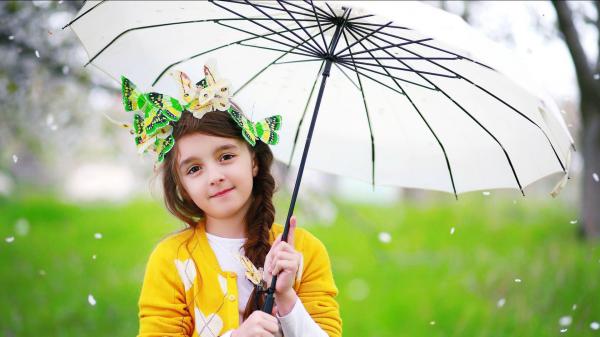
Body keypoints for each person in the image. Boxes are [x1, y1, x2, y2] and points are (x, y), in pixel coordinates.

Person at [111, 63, 341, 337]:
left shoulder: (302, 253)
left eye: (226, 157)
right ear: (181, 186)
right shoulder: (172, 260)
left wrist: (286, 296)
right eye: (194, 169)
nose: (214, 176)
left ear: (253, 161)